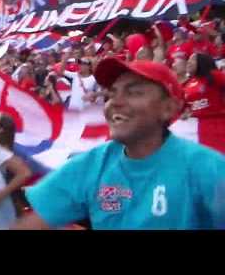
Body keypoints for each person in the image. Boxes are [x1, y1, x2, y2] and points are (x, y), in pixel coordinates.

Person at [13, 58, 225, 230]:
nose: (115, 101)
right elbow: (34, 222)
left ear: (168, 108)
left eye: (134, 92)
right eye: (111, 93)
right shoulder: (90, 165)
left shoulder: (209, 168)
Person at [182, 53, 225, 153]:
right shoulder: (188, 83)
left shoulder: (213, 75)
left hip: (218, 122)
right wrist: (185, 112)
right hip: (199, 126)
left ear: (202, 62)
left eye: (192, 60)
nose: (188, 62)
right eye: (188, 60)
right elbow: (185, 105)